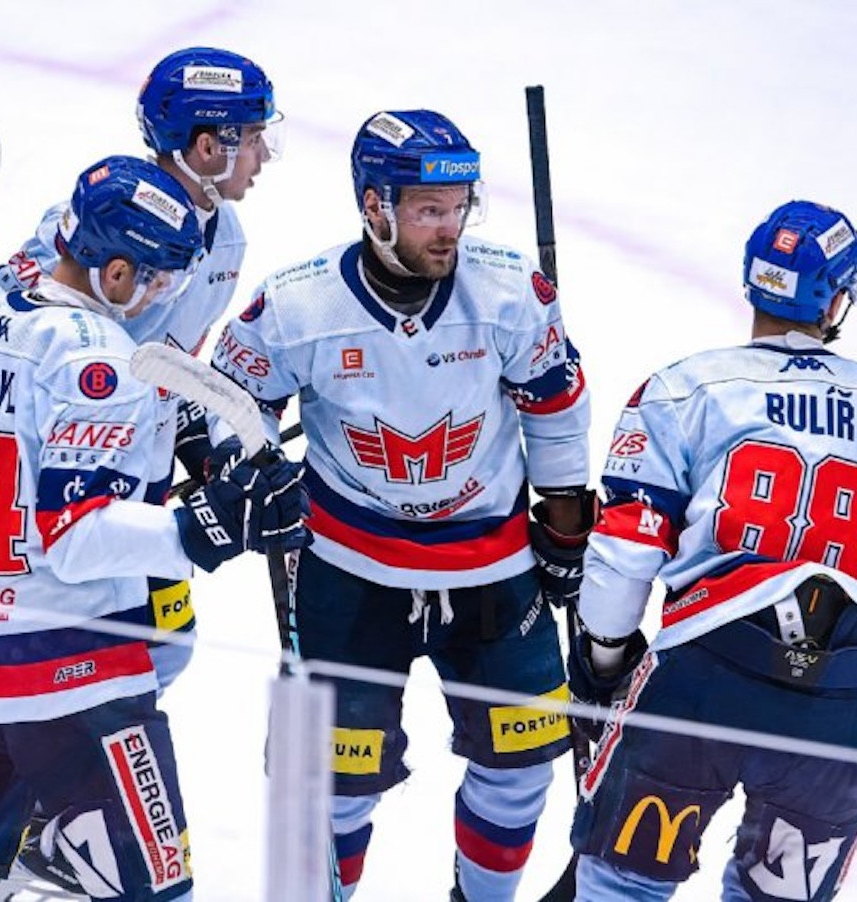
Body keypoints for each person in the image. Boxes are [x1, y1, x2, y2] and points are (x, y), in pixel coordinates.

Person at [0, 155, 309, 901]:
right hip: (69, 679)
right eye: (159, 279)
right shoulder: (99, 357)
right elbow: (74, 539)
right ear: (116, 273)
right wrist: (204, 528)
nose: (165, 295)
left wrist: (178, 432)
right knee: (156, 890)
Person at [210, 109, 595, 901]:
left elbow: (556, 406)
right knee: (335, 785)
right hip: (347, 571)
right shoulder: (300, 304)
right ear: (374, 206)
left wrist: (565, 525)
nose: (449, 228)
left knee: (522, 766)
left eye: (458, 208)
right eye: (428, 210)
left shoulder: (509, 290)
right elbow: (232, 397)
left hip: (491, 568)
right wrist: (247, 464)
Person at [567, 200, 857, 901]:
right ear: (837, 298)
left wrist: (604, 656)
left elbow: (627, 546)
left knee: (623, 885)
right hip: (840, 697)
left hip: (706, 673)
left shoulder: (684, 388)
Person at [0, 45, 283, 696]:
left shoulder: (227, 237)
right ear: (207, 148)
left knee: (164, 651)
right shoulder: (104, 215)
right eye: (253, 138)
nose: (263, 155)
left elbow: (166, 360)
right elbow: (3, 322)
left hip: (139, 481)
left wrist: (196, 441)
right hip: (52, 487)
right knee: (69, 669)